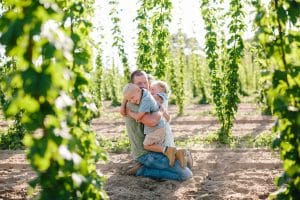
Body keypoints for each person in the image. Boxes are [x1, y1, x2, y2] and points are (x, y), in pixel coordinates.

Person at [120, 70, 193, 181]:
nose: (144, 86)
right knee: (185, 175)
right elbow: (152, 121)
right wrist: (161, 110)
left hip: (154, 148)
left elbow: (168, 118)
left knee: (184, 165)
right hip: (145, 153)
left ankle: (172, 158)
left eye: (146, 82)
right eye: (140, 84)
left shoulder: (144, 98)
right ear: (133, 85)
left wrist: (162, 108)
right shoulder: (133, 103)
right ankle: (142, 170)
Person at [122, 83, 186, 167]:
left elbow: (139, 117)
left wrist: (129, 112)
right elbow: (167, 117)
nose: (132, 101)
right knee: (159, 148)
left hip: (156, 129)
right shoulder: (143, 95)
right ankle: (177, 153)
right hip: (158, 128)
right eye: (129, 100)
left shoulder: (147, 100)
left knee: (147, 145)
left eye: (132, 98)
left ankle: (174, 153)